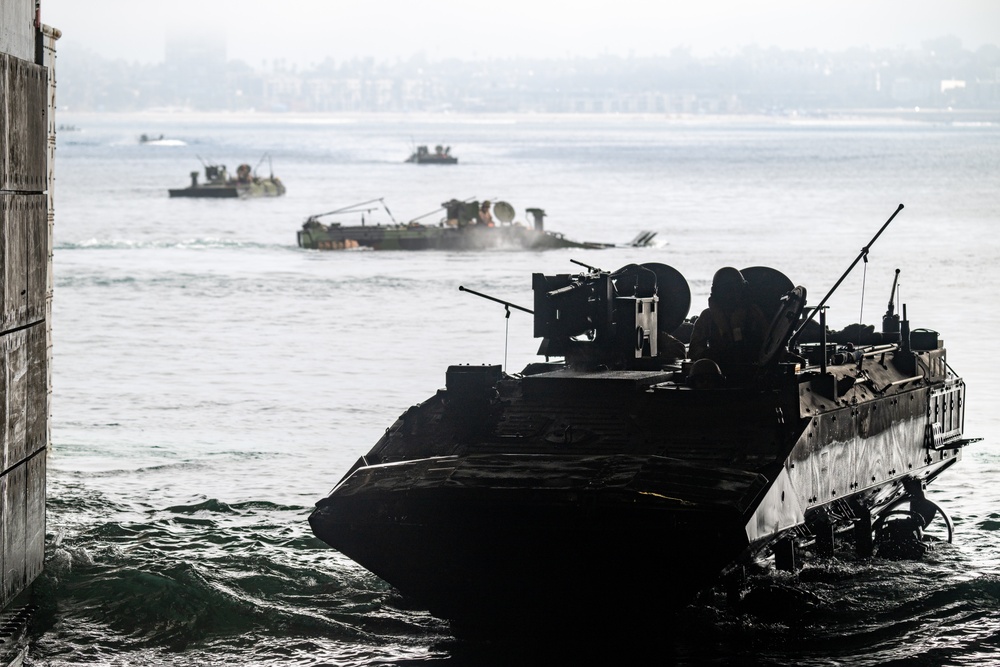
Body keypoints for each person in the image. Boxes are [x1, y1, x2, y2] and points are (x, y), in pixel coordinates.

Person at [688, 267, 768, 368]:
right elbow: (694, 351)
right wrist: (712, 354)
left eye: (735, 290)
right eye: (726, 290)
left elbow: (769, 345)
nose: (730, 295)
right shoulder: (708, 317)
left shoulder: (753, 314)